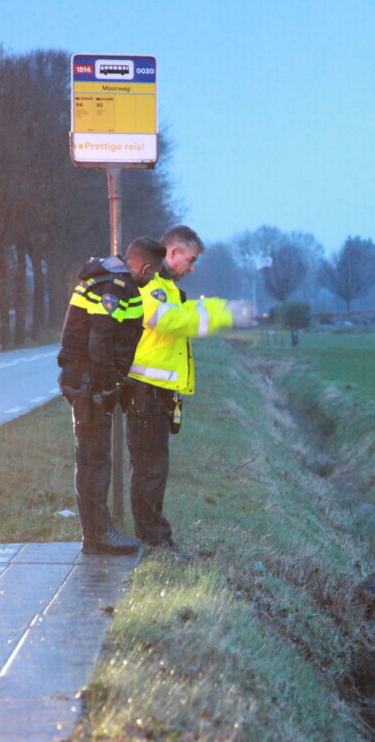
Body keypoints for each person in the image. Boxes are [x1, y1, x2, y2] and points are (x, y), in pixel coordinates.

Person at [125, 225, 241, 549]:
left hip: (156, 393)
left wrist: (218, 308)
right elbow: (171, 321)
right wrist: (223, 314)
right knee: (149, 468)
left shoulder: (166, 285)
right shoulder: (151, 285)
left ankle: (153, 534)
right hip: (145, 392)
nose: (192, 268)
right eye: (189, 260)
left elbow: (182, 314)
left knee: (153, 467)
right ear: (172, 252)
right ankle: (153, 539)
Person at [58, 237, 165, 554]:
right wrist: (108, 387)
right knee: (94, 460)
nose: (152, 278)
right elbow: (102, 342)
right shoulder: (113, 287)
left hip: (87, 380)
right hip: (89, 383)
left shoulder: (107, 280)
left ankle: (97, 532)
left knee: (93, 457)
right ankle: (97, 535)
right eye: (153, 272)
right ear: (145, 267)